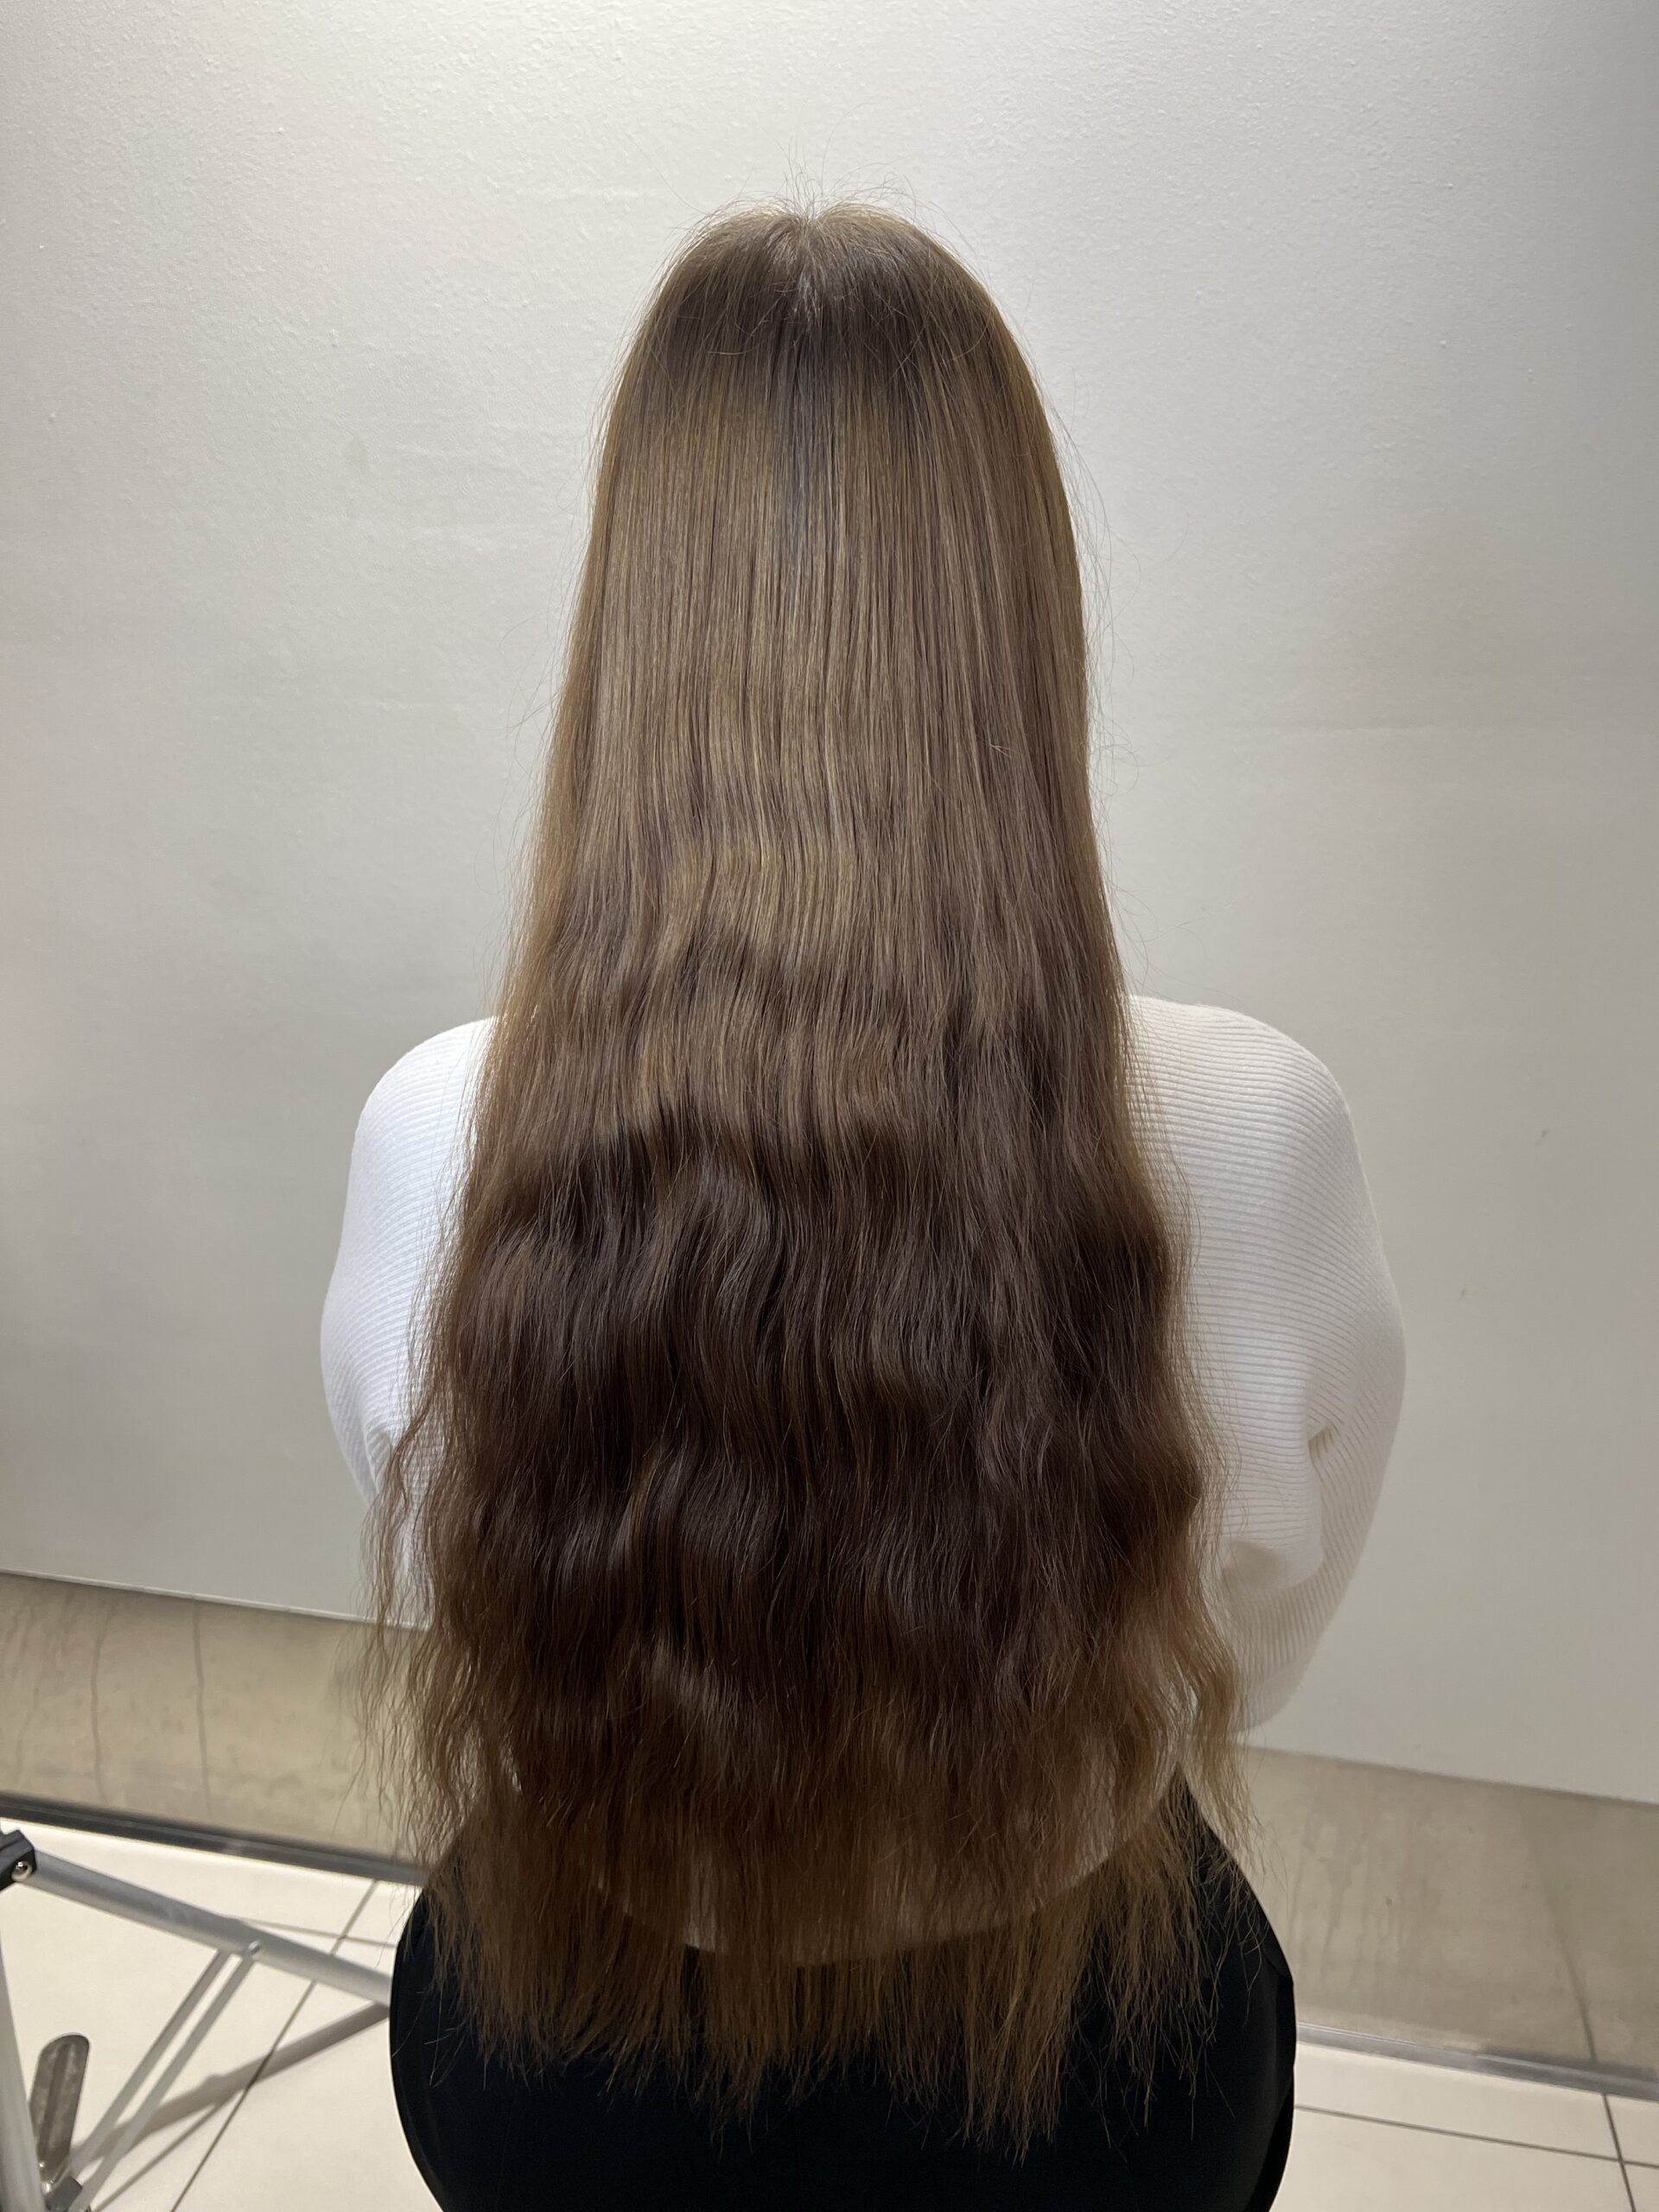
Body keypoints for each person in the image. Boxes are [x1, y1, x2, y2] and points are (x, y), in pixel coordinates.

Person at [321, 196, 1406, 2210]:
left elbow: (464, 1545)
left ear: (632, 621)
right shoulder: (1257, 1125)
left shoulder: (438, 1124)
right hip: (1088, 2099)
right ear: (1021, 622)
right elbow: (1255, 1631)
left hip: (563, 2073)